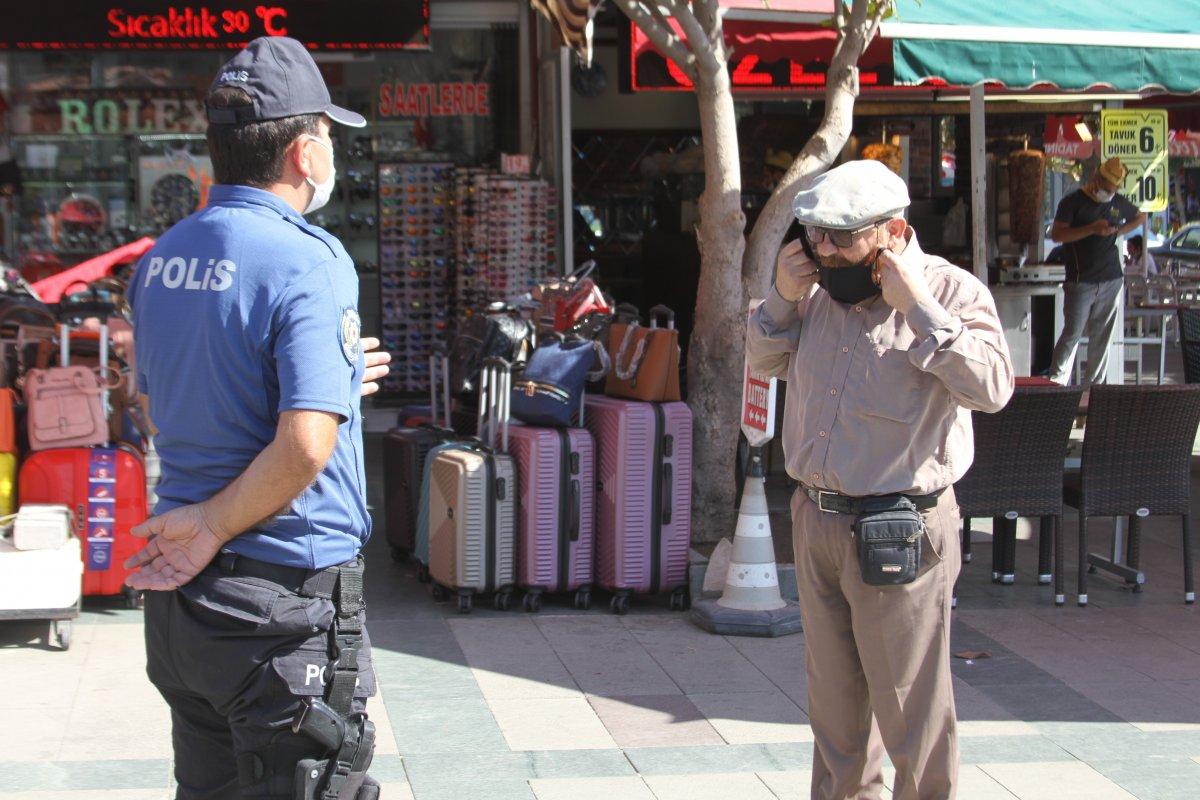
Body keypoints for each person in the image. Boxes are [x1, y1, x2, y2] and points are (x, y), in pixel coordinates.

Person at [124, 37, 391, 800]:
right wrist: (215, 521)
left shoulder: (162, 257)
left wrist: (330, 387)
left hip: (186, 615)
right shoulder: (309, 258)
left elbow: (158, 404)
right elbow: (305, 445)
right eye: (328, 135)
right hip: (280, 606)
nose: (331, 152)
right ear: (305, 154)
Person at [747, 160, 1013, 800]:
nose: (823, 249)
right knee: (835, 710)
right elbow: (763, 358)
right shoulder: (815, 291)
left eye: (841, 236)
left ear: (892, 231)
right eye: (814, 234)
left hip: (900, 526)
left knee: (910, 709)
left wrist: (917, 307)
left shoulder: (949, 291)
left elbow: (993, 387)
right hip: (817, 518)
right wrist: (781, 296)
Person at [1046, 157, 1146, 385]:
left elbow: (1141, 216)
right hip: (1080, 280)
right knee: (1072, 333)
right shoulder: (1072, 202)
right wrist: (1092, 229)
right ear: (1096, 179)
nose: (1109, 193)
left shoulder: (1117, 202)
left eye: (1113, 190)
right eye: (1107, 189)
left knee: (1102, 336)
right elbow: (1058, 235)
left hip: (1111, 278)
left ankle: (1093, 388)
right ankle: (1056, 384)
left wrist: (1118, 231)